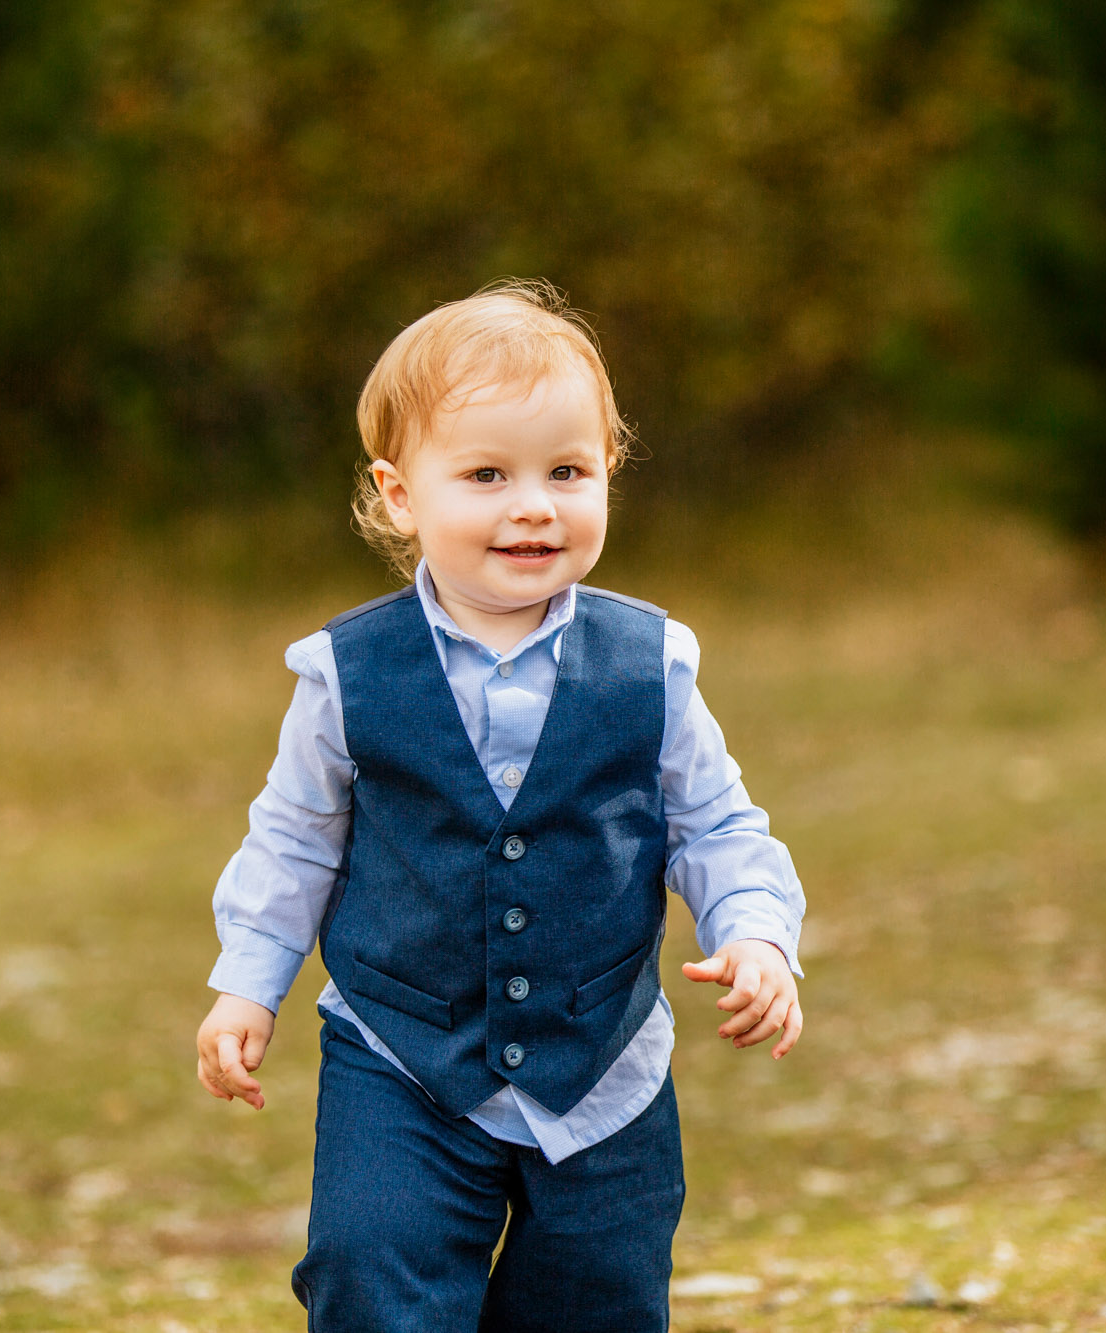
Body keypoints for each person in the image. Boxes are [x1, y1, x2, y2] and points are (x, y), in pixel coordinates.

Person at [194, 279, 806, 1332]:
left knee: (598, 1297)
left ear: (606, 475)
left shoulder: (646, 665)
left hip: (600, 1062)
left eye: (566, 471)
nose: (532, 503)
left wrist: (754, 934)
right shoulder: (346, 674)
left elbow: (716, 823)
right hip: (401, 1055)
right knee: (368, 1263)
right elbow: (293, 838)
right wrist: (248, 984)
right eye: (486, 474)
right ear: (398, 494)